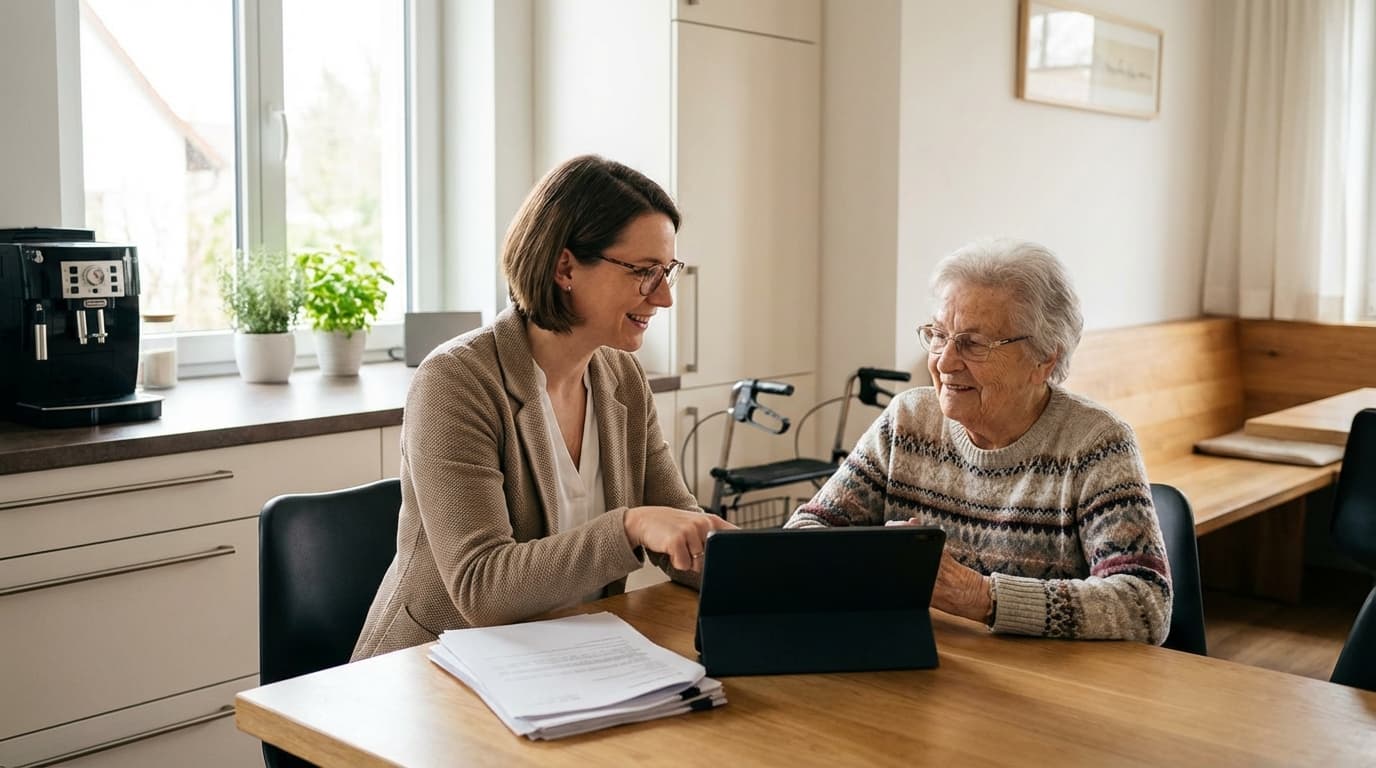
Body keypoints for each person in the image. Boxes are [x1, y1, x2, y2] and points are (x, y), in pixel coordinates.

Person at [353, 155, 734, 660]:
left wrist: (753, 571)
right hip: (434, 673)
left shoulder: (622, 379)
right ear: (565, 267)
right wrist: (629, 526)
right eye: (644, 272)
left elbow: (682, 532)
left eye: (667, 272)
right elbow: (481, 588)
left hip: (564, 662)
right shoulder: (456, 381)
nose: (663, 297)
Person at [785, 238, 1172, 644]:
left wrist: (980, 596)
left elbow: (1145, 606)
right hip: (924, 667)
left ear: (1044, 359)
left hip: (1043, 690)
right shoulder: (907, 421)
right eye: (938, 334)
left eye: (973, 344)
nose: (944, 362)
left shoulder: (1095, 443)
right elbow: (805, 533)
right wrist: (873, 558)